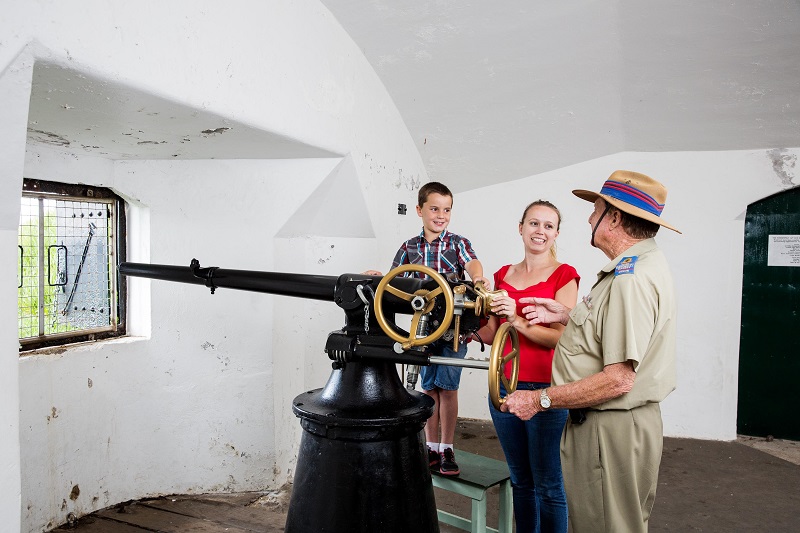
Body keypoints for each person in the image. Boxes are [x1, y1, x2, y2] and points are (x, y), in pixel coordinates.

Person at [503, 170, 680, 533]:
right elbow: (615, 328)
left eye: (595, 208)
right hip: (617, 424)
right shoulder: (640, 265)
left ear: (613, 218)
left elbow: (618, 380)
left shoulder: (629, 280)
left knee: (604, 524)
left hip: (611, 427)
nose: (588, 217)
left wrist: (539, 401)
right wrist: (568, 314)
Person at [365, 181, 489, 476]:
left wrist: (479, 278)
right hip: (424, 328)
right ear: (420, 210)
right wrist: (378, 277)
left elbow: (472, 264)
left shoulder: (457, 243)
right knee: (429, 387)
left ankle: (447, 448)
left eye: (446, 210)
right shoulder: (409, 247)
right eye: (434, 209)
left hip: (453, 327)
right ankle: (430, 447)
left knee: (448, 387)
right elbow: (395, 280)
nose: (441, 215)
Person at [476, 200, 579, 533]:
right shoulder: (502, 275)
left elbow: (560, 340)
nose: (540, 231)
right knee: (521, 480)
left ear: (556, 234)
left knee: (549, 484)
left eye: (548, 226)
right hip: (504, 386)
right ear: (520, 228)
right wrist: (463, 319)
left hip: (546, 391)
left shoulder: (565, 276)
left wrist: (516, 318)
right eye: (534, 224)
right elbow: (493, 335)